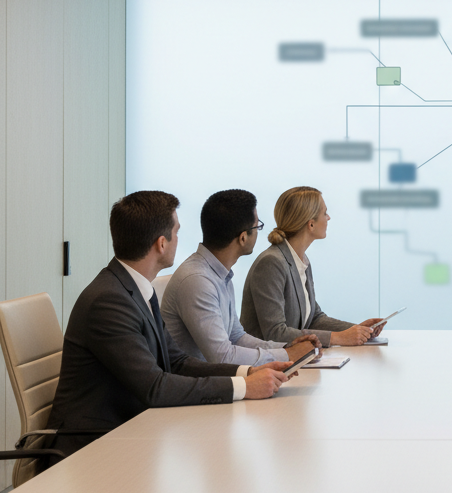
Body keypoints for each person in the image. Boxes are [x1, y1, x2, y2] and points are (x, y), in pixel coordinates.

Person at [48, 191, 296, 459]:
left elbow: (177, 362)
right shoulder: (109, 301)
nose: (180, 239)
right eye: (176, 231)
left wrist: (248, 371)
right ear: (162, 244)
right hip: (90, 447)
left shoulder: (136, 289)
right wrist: (245, 387)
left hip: (132, 430)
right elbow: (155, 387)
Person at [162, 189, 320, 367]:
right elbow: (222, 357)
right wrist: (285, 354)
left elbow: (236, 337)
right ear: (243, 237)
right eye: (257, 226)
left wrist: (287, 346)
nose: (260, 232)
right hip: (197, 387)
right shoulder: (197, 280)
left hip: (213, 381)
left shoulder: (219, 273)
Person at [241, 186, 383, 347]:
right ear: (311, 224)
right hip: (266, 363)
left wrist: (357, 330)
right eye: (324, 213)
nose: (328, 218)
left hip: (291, 360)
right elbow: (275, 333)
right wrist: (337, 338)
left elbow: (315, 318)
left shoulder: (301, 260)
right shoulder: (271, 263)